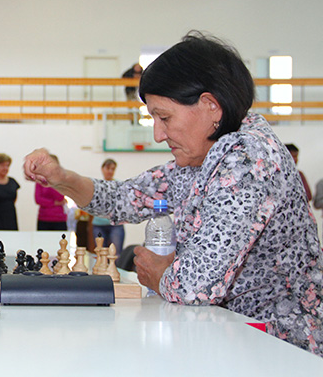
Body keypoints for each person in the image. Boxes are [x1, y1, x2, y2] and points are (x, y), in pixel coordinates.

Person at [23, 32, 323, 357]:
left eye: (164, 117)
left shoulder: (248, 158)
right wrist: (61, 178)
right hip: (231, 338)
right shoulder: (200, 159)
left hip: (278, 349)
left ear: (211, 106)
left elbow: (195, 285)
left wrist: (161, 273)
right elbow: (122, 199)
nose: (157, 134)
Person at [90, 159, 125, 256]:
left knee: (116, 253)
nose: (110, 171)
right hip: (99, 224)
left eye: (112, 169)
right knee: (100, 253)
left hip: (116, 224)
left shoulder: (119, 185)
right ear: (102, 169)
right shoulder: (97, 185)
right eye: (108, 168)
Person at [35, 154, 67, 231]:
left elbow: (60, 197)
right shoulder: (39, 180)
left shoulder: (61, 180)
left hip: (59, 218)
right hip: (44, 217)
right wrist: (54, 203)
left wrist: (53, 181)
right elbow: (38, 199)